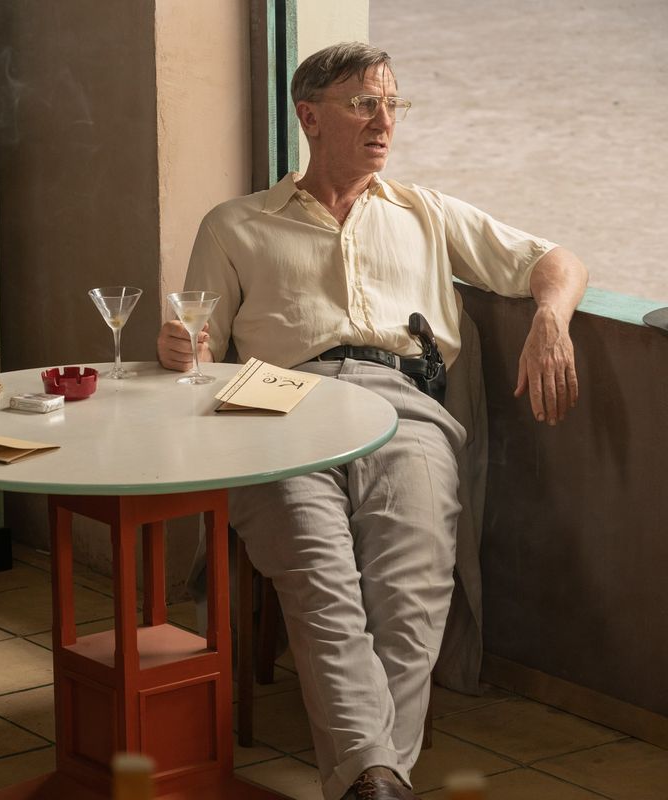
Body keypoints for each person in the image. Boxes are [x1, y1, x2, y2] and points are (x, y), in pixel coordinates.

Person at [157, 43, 587, 800]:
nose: (384, 121)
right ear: (309, 117)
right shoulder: (234, 225)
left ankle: (370, 775)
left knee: (412, 581)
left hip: (405, 410)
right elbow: (197, 350)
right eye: (363, 104)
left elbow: (553, 259)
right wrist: (180, 350)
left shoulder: (426, 212)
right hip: (277, 409)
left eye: (393, 104)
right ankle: (377, 779)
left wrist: (551, 318)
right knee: (319, 577)